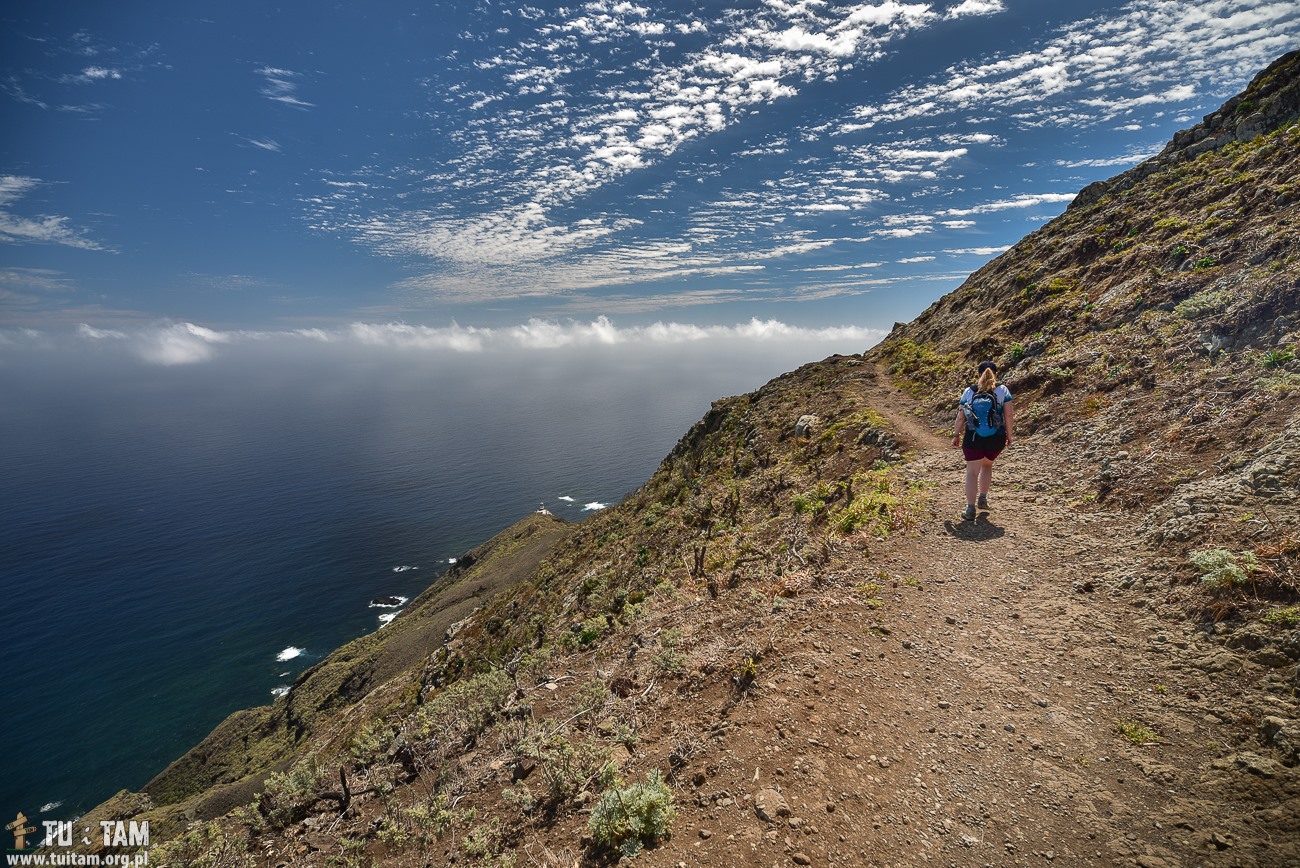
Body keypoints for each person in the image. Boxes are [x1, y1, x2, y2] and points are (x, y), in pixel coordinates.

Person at [951, 360, 1014, 521]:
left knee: (972, 472)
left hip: (973, 437)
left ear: (978, 374)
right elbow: (1008, 415)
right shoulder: (1003, 390)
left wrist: (956, 434)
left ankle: (970, 509)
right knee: (987, 465)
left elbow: (960, 416)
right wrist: (1009, 435)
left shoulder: (969, 391)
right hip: (996, 437)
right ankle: (983, 499)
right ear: (996, 374)